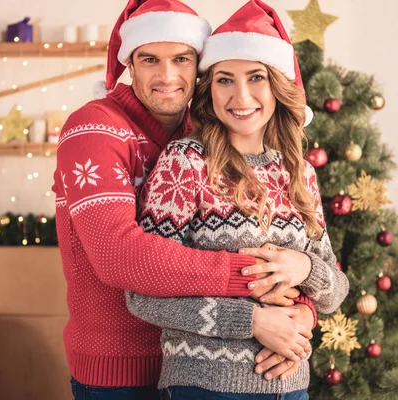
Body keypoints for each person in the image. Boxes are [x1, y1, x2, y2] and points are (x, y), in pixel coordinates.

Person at [52, 0, 317, 398]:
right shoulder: (94, 129)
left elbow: (286, 239)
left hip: (205, 362)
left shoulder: (208, 132)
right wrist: (259, 279)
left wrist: (299, 313)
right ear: (129, 63)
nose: (167, 75)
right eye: (149, 60)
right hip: (120, 368)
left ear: (200, 66)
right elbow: (117, 255)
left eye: (181, 58)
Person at [125, 1, 350, 399]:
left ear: (277, 84)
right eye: (225, 80)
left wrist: (305, 270)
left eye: (256, 78)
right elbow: (142, 295)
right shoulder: (185, 163)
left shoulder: (299, 174)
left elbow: (335, 290)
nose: (240, 95)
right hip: (205, 388)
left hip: (292, 388)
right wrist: (251, 321)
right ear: (209, 88)